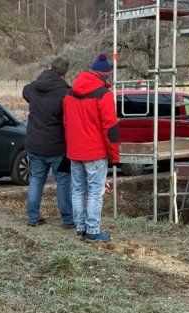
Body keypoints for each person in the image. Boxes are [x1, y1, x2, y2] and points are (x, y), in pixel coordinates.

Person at [62, 52, 120, 242]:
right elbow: (110, 129)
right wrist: (114, 156)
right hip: (95, 152)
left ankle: (80, 229)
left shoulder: (69, 93)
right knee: (95, 192)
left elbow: (66, 123)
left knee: (78, 190)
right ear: (106, 75)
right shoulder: (104, 95)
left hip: (74, 152)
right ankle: (93, 231)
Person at [23, 56, 74, 228]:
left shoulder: (35, 87)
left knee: (36, 179)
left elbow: (25, 91)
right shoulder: (65, 93)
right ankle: (68, 219)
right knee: (63, 181)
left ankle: (33, 217)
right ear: (65, 74)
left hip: (34, 143)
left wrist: (40, 79)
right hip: (57, 146)